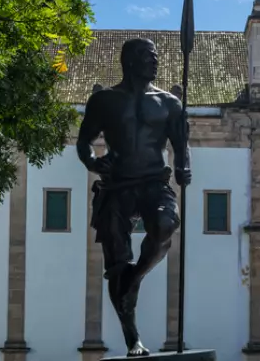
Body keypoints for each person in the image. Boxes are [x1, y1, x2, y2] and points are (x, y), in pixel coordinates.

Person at [76, 38, 191, 357]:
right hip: (117, 184)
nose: (154, 62)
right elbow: (84, 140)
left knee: (165, 225)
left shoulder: (169, 103)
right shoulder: (105, 101)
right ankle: (133, 340)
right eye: (147, 57)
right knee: (116, 264)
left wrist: (184, 167)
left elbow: (181, 144)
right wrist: (92, 161)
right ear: (129, 61)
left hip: (155, 181)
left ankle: (136, 276)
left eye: (155, 57)